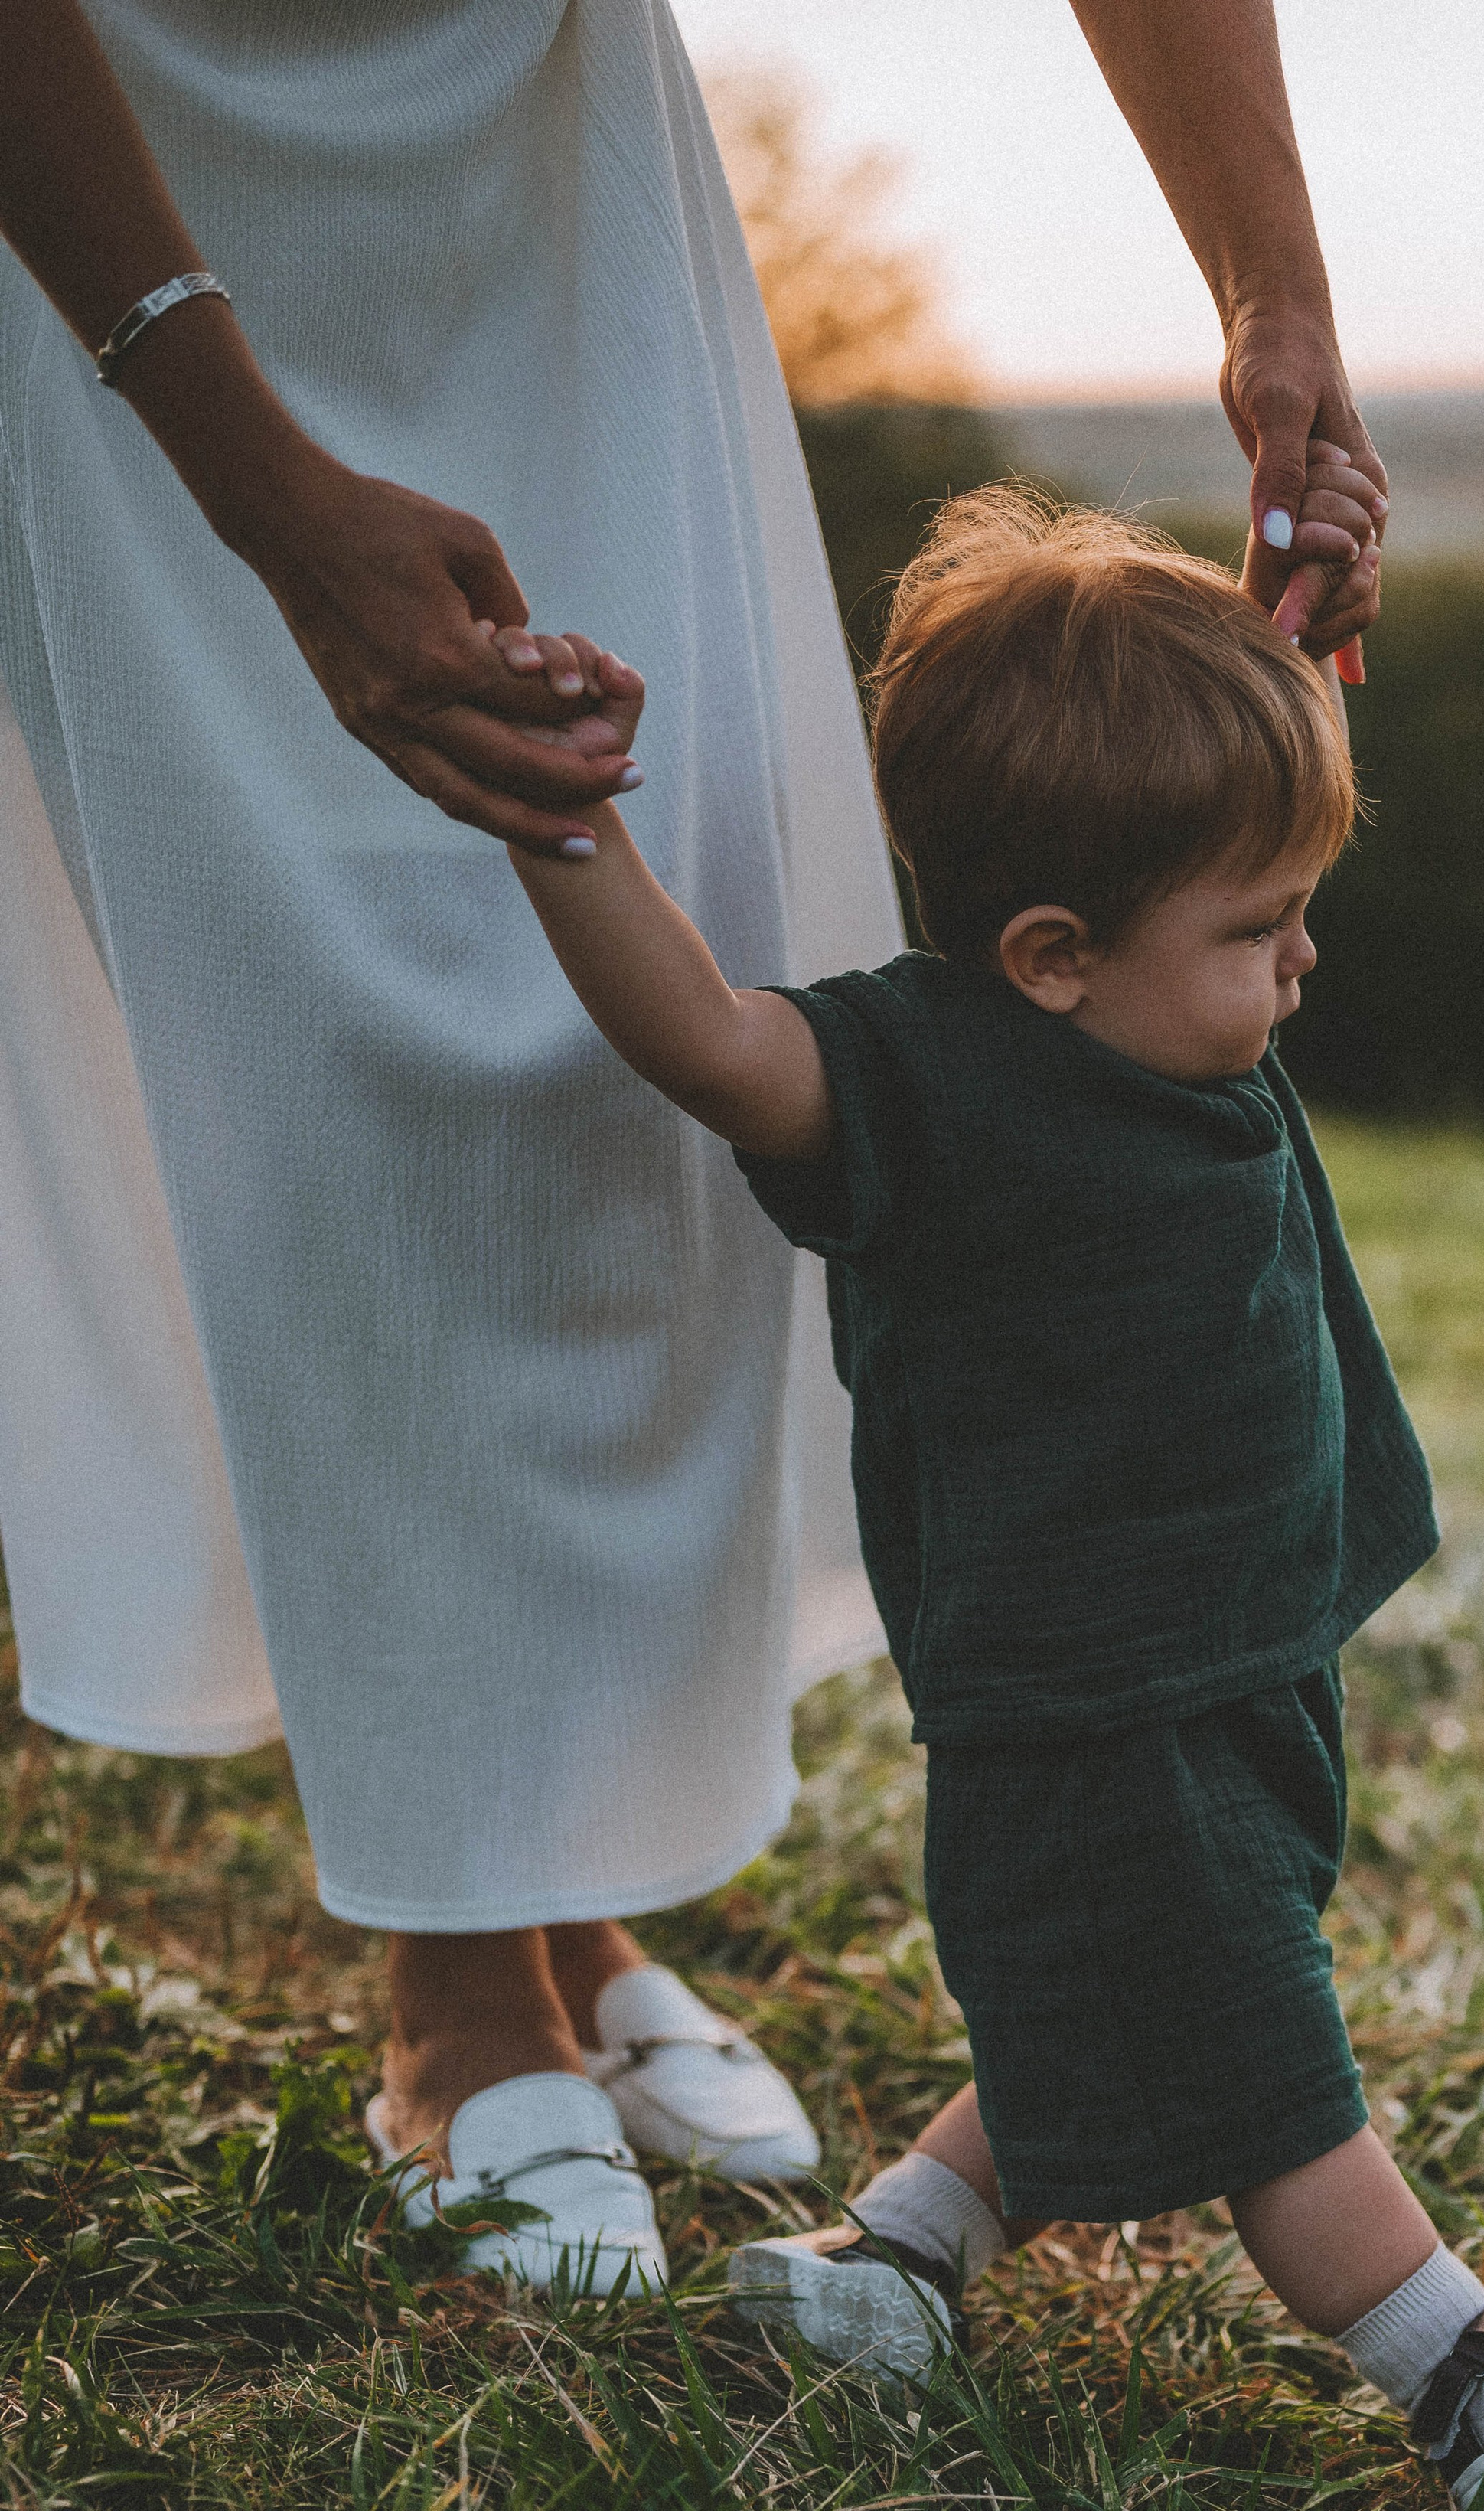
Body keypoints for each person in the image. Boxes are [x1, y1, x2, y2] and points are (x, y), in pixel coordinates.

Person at [0, 0, 1384, 2290]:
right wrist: (243, 462)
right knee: (345, 1053)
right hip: (119, 207)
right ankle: (456, 1975)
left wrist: (1278, 294)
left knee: (605, 1106)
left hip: (553, 175)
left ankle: (559, 1895)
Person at [495, 490, 1484, 2509]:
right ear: (1046, 955)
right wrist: (561, 823)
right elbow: (705, 1041)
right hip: (1085, 1688)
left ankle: (895, 2255)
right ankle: (1453, 2360)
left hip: (1239, 1644)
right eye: (1258, 928)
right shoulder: (929, 1085)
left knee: (1142, 1987)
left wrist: (1280, 622)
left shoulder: (1149, 975)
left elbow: (1177, 777)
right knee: (1252, 2051)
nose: (1303, 961)